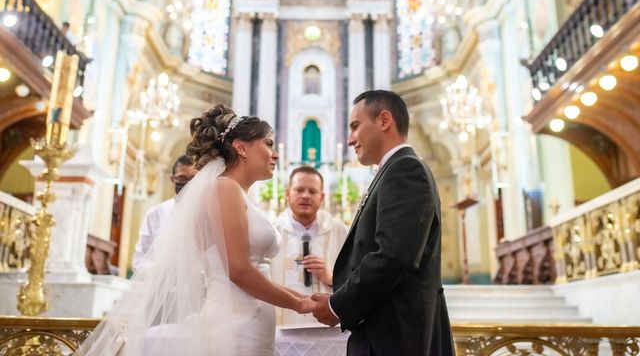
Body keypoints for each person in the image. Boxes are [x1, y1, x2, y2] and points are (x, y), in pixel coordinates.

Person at [76, 104, 313, 355]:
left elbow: (254, 271)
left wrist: (303, 298)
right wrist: (298, 304)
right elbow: (238, 270)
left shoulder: (238, 193)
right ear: (242, 148)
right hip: (236, 321)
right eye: (268, 143)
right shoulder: (226, 189)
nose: (274, 154)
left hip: (249, 316)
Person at [310, 90, 455, 356]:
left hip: (398, 339)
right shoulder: (391, 171)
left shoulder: (405, 170)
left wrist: (336, 306)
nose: (350, 138)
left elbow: (393, 256)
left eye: (355, 126)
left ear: (384, 120)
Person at [271, 166, 347, 325]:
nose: (305, 196)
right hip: (281, 324)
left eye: (312, 191)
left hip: (327, 325)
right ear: (287, 193)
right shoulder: (272, 231)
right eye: (299, 190)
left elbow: (358, 278)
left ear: (322, 197)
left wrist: (331, 278)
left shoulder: (340, 232)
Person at [132, 155, 196, 270]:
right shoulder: (155, 214)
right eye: (182, 178)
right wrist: (162, 272)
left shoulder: (205, 215)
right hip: (158, 284)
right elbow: (139, 259)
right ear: (172, 180)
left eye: (192, 179)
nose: (187, 183)